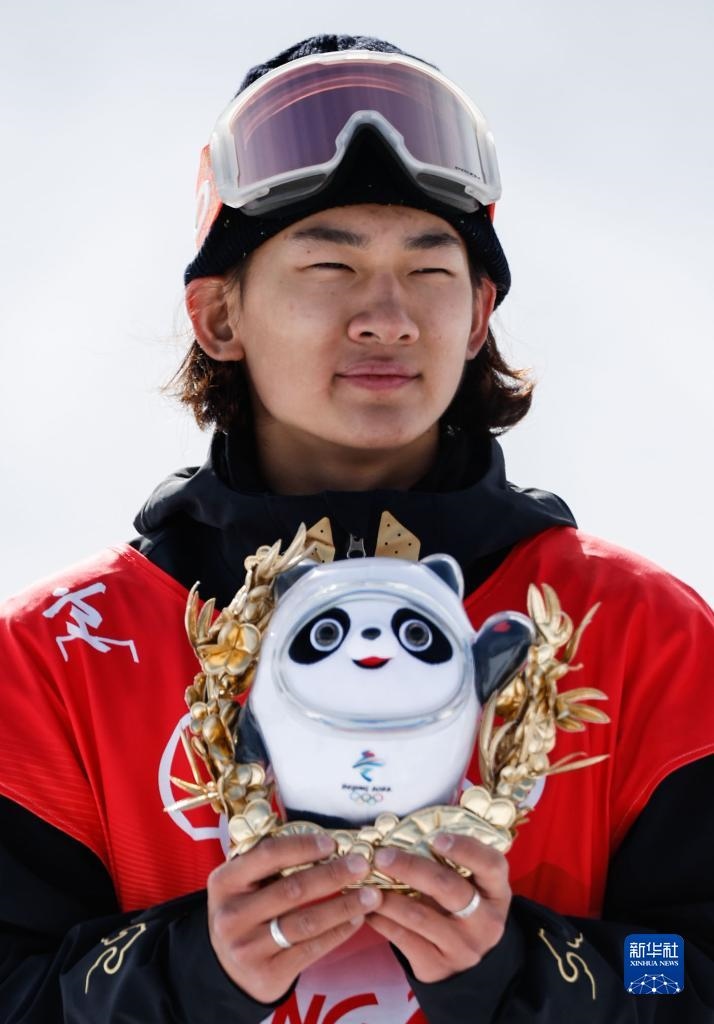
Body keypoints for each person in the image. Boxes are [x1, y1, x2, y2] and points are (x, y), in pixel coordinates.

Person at [1, 33, 713, 1024]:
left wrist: (528, 969)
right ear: (219, 317)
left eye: (430, 269)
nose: (387, 316)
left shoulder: (641, 634)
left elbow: (688, 974)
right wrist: (187, 967)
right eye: (329, 263)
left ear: (479, 317)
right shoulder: (60, 658)